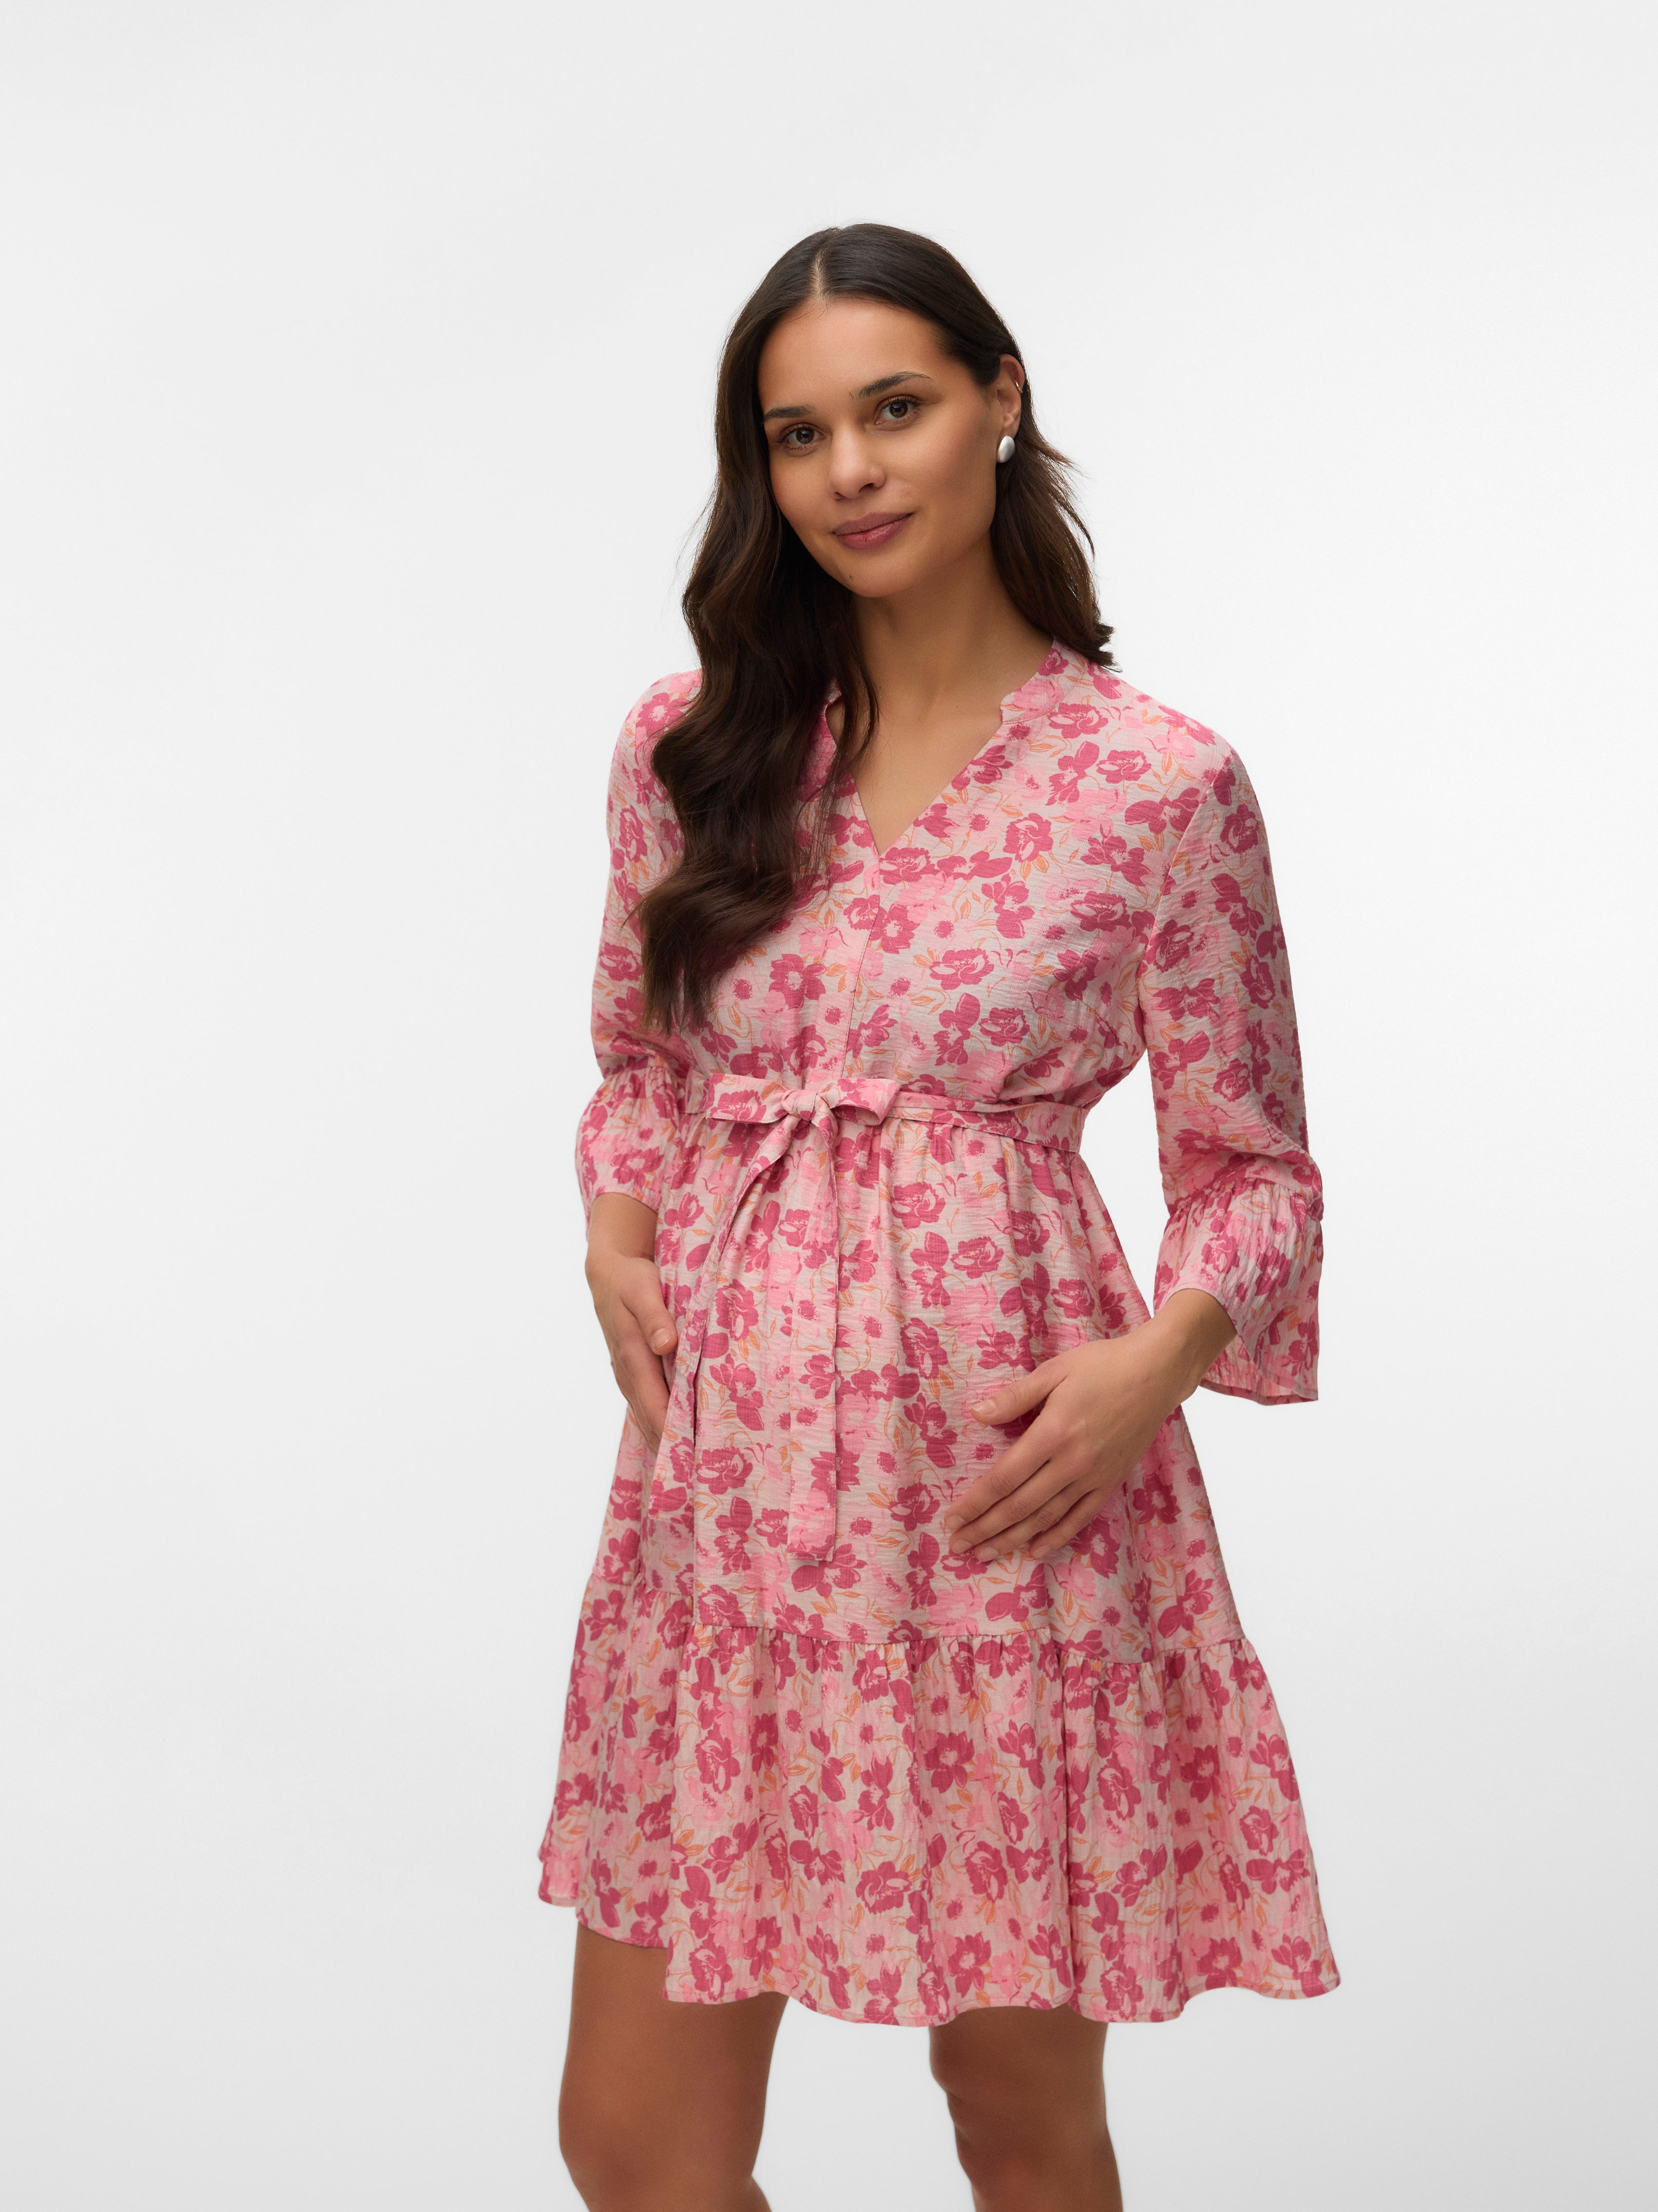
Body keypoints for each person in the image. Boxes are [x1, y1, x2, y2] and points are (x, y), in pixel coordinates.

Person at [541, 222, 1338, 2211]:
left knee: (1020, 2126)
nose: (850, 471)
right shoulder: (693, 744)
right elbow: (641, 1068)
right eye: (796, 434)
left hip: (1007, 1509)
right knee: (633, 2145)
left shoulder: (1156, 786)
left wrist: (1154, 1366)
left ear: (999, 400)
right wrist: (617, 1235)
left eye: (892, 408)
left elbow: (1253, 1171)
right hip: (731, 1516)